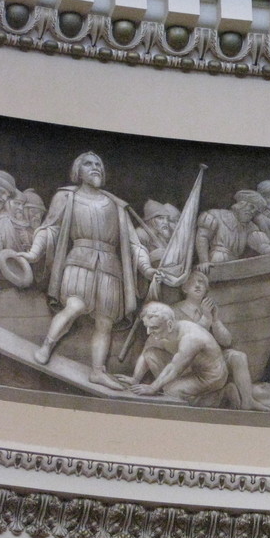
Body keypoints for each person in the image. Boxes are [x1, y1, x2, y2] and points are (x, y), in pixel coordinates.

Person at [17, 152, 157, 389]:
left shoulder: (116, 204)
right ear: (78, 172)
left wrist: (146, 268)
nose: (96, 168)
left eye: (99, 165)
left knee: (104, 323)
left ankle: (97, 371)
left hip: (110, 270)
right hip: (79, 261)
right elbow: (50, 229)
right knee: (75, 306)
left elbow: (134, 244)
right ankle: (47, 346)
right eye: (89, 164)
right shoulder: (66, 197)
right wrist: (33, 253)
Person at [172, 270, 270, 411]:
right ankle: (221, 396)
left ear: (206, 290)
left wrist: (216, 320)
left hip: (212, 357)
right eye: (193, 282)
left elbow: (226, 341)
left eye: (202, 283)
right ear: (184, 288)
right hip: (190, 362)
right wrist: (205, 319)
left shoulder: (208, 309)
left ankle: (248, 401)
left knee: (238, 356)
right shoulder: (175, 310)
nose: (198, 285)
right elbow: (186, 340)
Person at [117, 302, 229, 405]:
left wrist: (153, 387)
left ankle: (219, 396)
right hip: (188, 368)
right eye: (147, 327)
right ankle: (168, 385)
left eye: (154, 327)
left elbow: (174, 367)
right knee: (149, 354)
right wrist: (135, 379)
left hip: (209, 376)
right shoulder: (160, 331)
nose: (149, 332)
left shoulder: (191, 337)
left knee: (170, 391)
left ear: (170, 324)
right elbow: (144, 354)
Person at [195, 190, 270, 271]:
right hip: (214, 265)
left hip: (234, 268)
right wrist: (204, 261)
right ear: (241, 204)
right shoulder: (216, 215)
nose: (252, 213)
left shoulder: (251, 227)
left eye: (255, 211)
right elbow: (203, 236)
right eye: (251, 207)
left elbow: (264, 249)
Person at [0, 189, 45, 253]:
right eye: (17, 203)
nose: (20, 208)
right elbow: (9, 250)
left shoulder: (19, 225)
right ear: (8, 202)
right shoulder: (5, 222)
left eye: (22, 204)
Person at [135, 199, 180, 264]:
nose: (166, 222)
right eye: (161, 218)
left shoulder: (160, 236)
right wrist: (151, 257)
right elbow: (137, 260)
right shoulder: (140, 234)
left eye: (166, 219)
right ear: (151, 220)